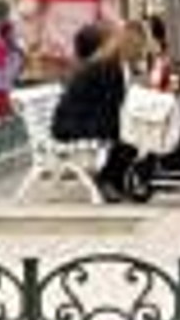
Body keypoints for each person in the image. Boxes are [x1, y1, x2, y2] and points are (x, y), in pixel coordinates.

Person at [51, 21, 140, 202]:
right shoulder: (102, 66)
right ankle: (107, 179)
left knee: (133, 129)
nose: (117, 42)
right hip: (72, 126)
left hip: (80, 120)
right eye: (111, 40)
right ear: (101, 46)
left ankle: (114, 180)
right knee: (132, 132)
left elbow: (115, 103)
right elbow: (114, 104)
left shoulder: (103, 65)